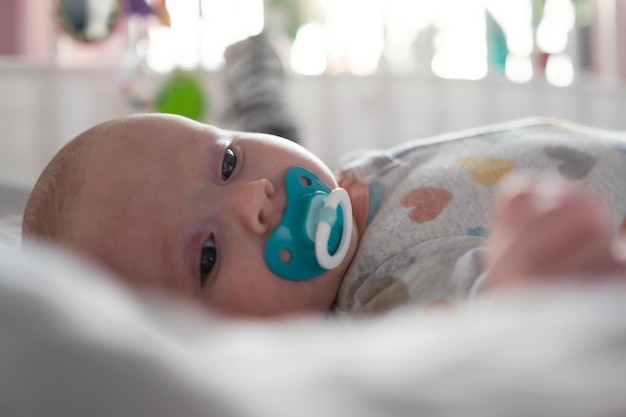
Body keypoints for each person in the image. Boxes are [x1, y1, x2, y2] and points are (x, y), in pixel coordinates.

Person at [21, 114, 626, 318]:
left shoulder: (355, 175)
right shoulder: (382, 298)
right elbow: (484, 354)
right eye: (206, 256)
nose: (251, 199)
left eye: (228, 161)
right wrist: (529, 292)